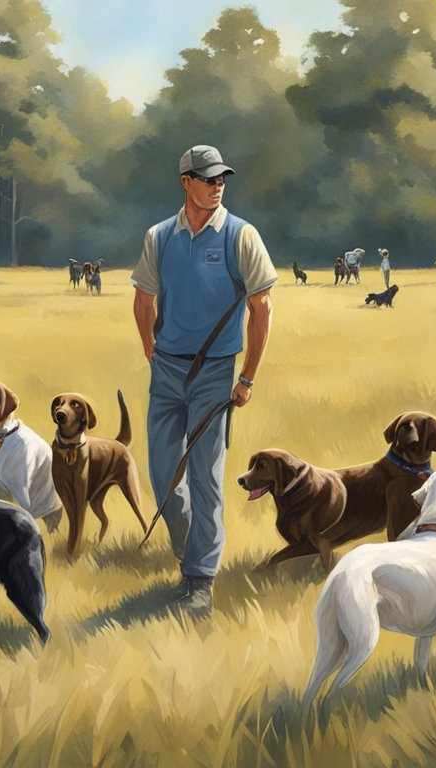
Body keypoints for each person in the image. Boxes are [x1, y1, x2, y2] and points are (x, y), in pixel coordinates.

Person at [131, 145, 277, 613]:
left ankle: (199, 581)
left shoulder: (241, 235)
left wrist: (247, 378)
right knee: (163, 475)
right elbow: (142, 302)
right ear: (185, 182)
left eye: (221, 179)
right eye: (208, 178)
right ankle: (188, 546)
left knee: (206, 477)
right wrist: (154, 356)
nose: (217, 186)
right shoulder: (158, 236)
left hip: (216, 371)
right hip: (168, 369)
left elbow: (261, 309)